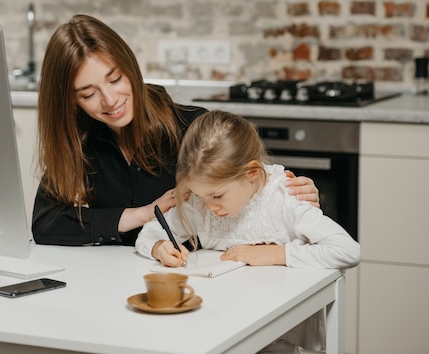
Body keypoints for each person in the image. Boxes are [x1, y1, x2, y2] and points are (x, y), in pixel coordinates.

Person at [32, 14, 320, 246]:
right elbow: (46, 223)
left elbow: (252, 195)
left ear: (130, 67)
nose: (110, 100)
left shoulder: (192, 128)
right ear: (71, 100)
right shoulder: (79, 141)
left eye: (115, 78)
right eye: (88, 94)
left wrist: (294, 201)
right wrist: (143, 214)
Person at [135, 110, 360, 354]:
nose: (210, 206)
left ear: (251, 172)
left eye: (217, 196)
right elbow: (149, 234)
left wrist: (274, 255)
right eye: (202, 196)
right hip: (220, 326)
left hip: (280, 333)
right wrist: (159, 248)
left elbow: (348, 251)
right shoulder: (201, 204)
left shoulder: (285, 197)